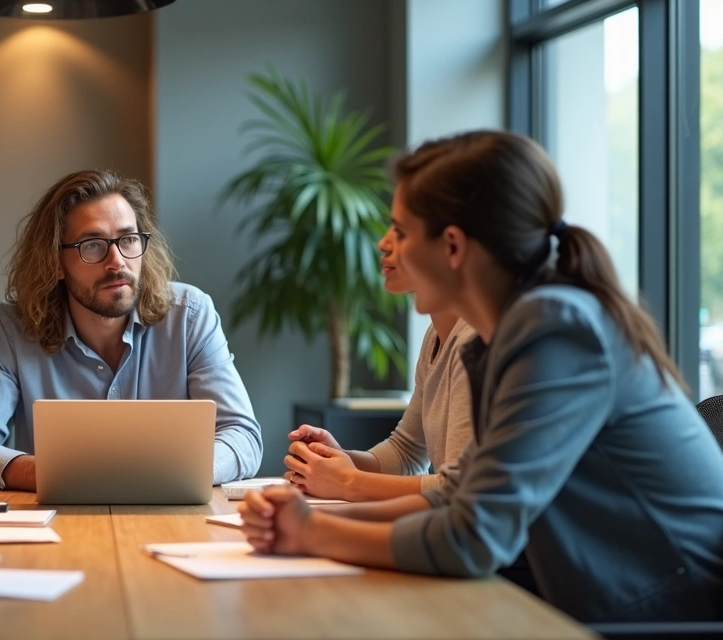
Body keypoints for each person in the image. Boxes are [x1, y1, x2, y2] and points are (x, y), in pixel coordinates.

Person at [240, 129, 723, 623]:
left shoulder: (553, 330)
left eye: (402, 232)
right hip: (616, 600)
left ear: (452, 246)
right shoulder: (516, 332)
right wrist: (303, 519)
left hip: (673, 613)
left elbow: (472, 538)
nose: (389, 247)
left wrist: (311, 533)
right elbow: (457, 495)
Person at [0, 169, 262, 490]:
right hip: (60, 528)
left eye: (128, 240)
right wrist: (48, 473)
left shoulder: (189, 314)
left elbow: (242, 436)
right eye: (92, 245)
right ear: (55, 262)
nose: (117, 261)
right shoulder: (11, 328)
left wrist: (167, 474)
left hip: (174, 523)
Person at [283, 226, 475, 501]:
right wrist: (338, 461)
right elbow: (406, 453)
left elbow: (459, 490)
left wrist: (348, 481)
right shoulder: (436, 335)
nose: (383, 243)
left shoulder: (474, 342)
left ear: (452, 244)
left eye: (401, 230)